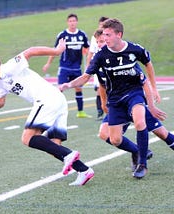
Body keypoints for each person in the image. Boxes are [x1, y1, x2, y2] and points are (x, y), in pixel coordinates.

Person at [0, 39, 94, 186]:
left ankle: (70, 155)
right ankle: (84, 170)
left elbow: (30, 51)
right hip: (56, 100)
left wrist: (56, 51)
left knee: (27, 138)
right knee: (54, 146)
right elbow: (0, 103)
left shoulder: (8, 67)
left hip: (47, 99)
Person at [59, 18, 166, 179]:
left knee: (140, 122)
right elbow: (86, 77)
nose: (105, 39)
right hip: (115, 99)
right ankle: (137, 151)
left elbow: (148, 64)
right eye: (103, 36)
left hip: (134, 93)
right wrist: (68, 85)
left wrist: (153, 88)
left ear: (119, 35)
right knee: (115, 139)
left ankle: (142, 164)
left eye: (108, 35)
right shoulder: (101, 56)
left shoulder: (135, 49)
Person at [42, 13, 90, 118]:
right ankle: (56, 112)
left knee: (78, 88)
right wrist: (48, 63)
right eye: (70, 21)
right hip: (64, 67)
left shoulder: (82, 35)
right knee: (60, 89)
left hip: (77, 67)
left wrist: (88, 59)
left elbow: (87, 48)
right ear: (67, 22)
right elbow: (55, 50)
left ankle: (80, 111)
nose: (72, 23)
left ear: (77, 22)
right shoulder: (62, 35)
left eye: (74, 21)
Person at [86, 16, 109, 120]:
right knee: (99, 89)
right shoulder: (95, 37)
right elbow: (91, 52)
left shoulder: (111, 39)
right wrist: (88, 67)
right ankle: (101, 111)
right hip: (98, 66)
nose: (99, 44)